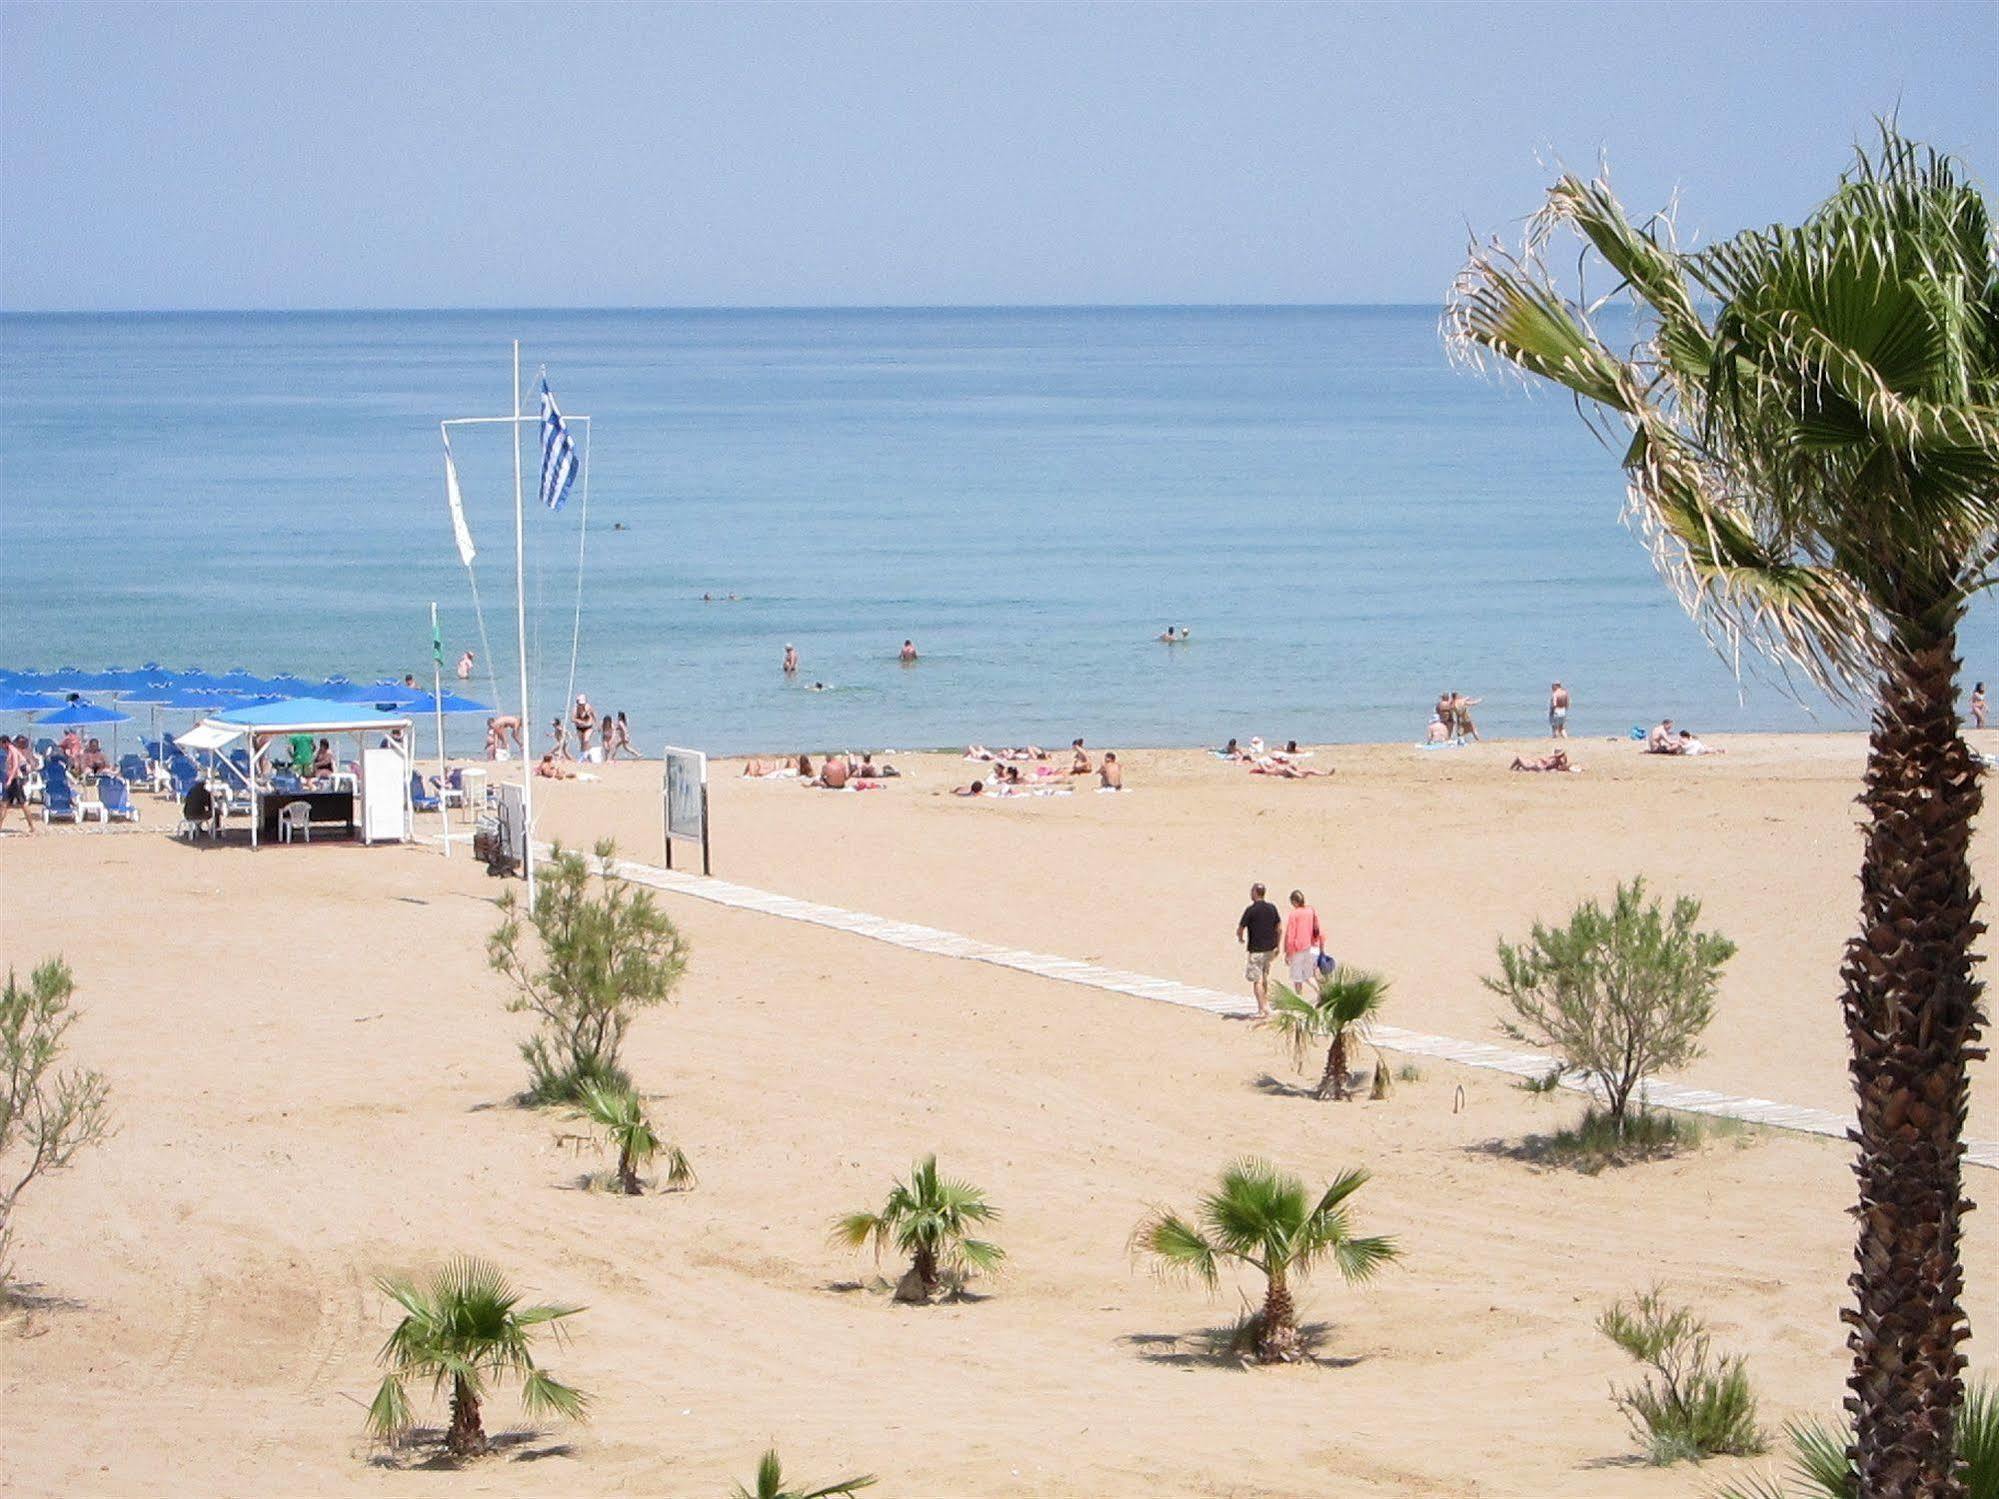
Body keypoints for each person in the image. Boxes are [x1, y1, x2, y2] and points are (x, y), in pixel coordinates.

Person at [1236, 883, 1283, 1019]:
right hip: (1269, 949)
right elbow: (1279, 928)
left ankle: (1263, 1008)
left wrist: (1240, 938)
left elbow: (1240, 928)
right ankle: (1264, 1005)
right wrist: (1278, 945)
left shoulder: (1251, 910)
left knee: (1257, 981)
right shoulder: (1272, 908)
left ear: (1256, 893)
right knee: (1264, 977)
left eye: (1252, 891)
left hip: (1256, 950)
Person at [1283, 890, 1324, 995]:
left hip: (1298, 949)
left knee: (1297, 977)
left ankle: (1299, 1000)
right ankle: (1320, 993)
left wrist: (1288, 952)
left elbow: (1291, 935)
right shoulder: (1311, 911)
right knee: (1308, 975)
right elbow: (1318, 929)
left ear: (1294, 901)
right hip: (1312, 946)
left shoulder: (1294, 914)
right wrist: (1321, 946)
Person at [0, 733, 36, 836]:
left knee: (23, 803)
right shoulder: (9, 751)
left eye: (1, 744)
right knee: (4, 804)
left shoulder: (13, 751)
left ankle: (32, 826)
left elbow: (15, 766)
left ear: (5, 743)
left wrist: (9, 780)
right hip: (12, 780)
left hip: (16, 780)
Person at [1510, 750, 1576, 773]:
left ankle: (1515, 767)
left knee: (1524, 763)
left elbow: (1562, 767)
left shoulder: (1558, 759)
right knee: (1520, 760)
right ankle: (1511, 768)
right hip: (1538, 766)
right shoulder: (1554, 760)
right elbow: (1547, 766)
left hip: (1538, 766)